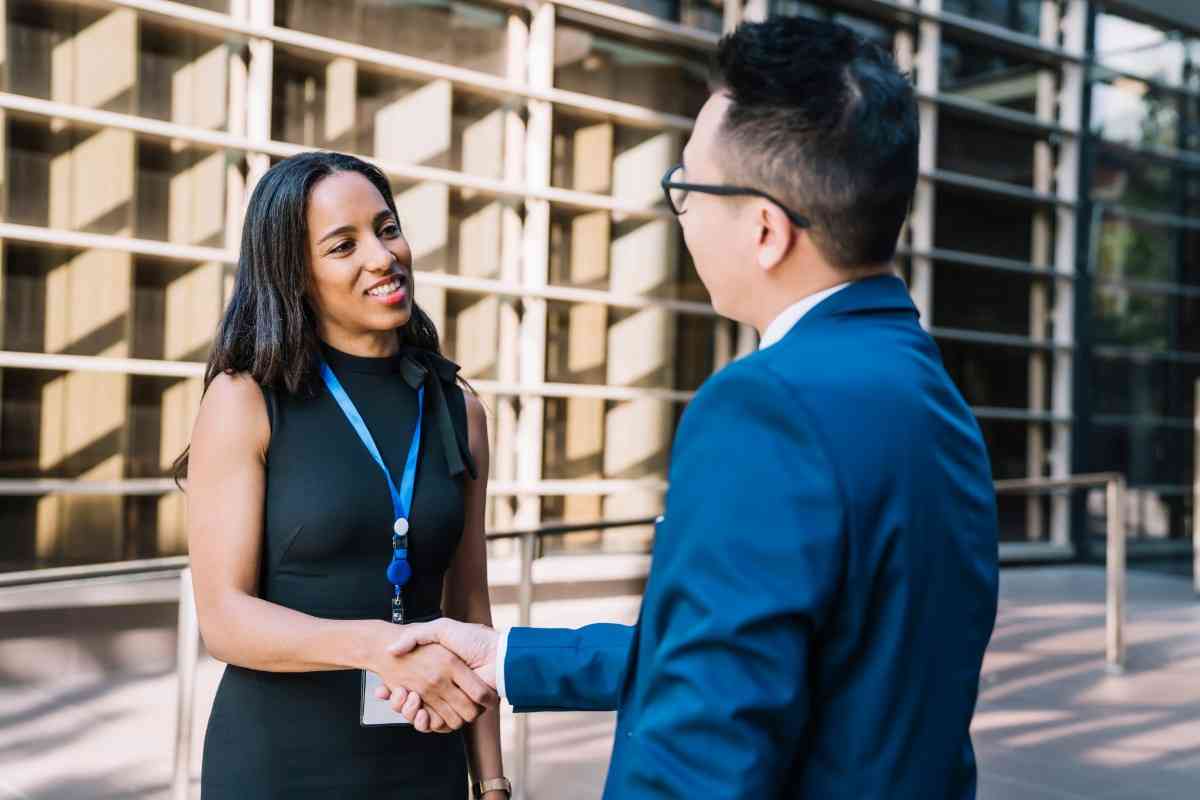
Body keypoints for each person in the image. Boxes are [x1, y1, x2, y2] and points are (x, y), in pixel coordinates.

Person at [382, 16, 1000, 800]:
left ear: (766, 229)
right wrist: (509, 658)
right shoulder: (928, 392)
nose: (682, 213)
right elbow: (795, 655)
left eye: (687, 188)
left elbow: (703, 743)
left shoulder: (766, 408)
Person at [180, 151, 509, 799]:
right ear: (295, 274)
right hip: (281, 766)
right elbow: (224, 619)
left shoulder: (459, 409)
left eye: (387, 229)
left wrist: (492, 780)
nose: (383, 257)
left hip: (426, 759)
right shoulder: (245, 399)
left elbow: (469, 601)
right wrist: (377, 646)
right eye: (343, 245)